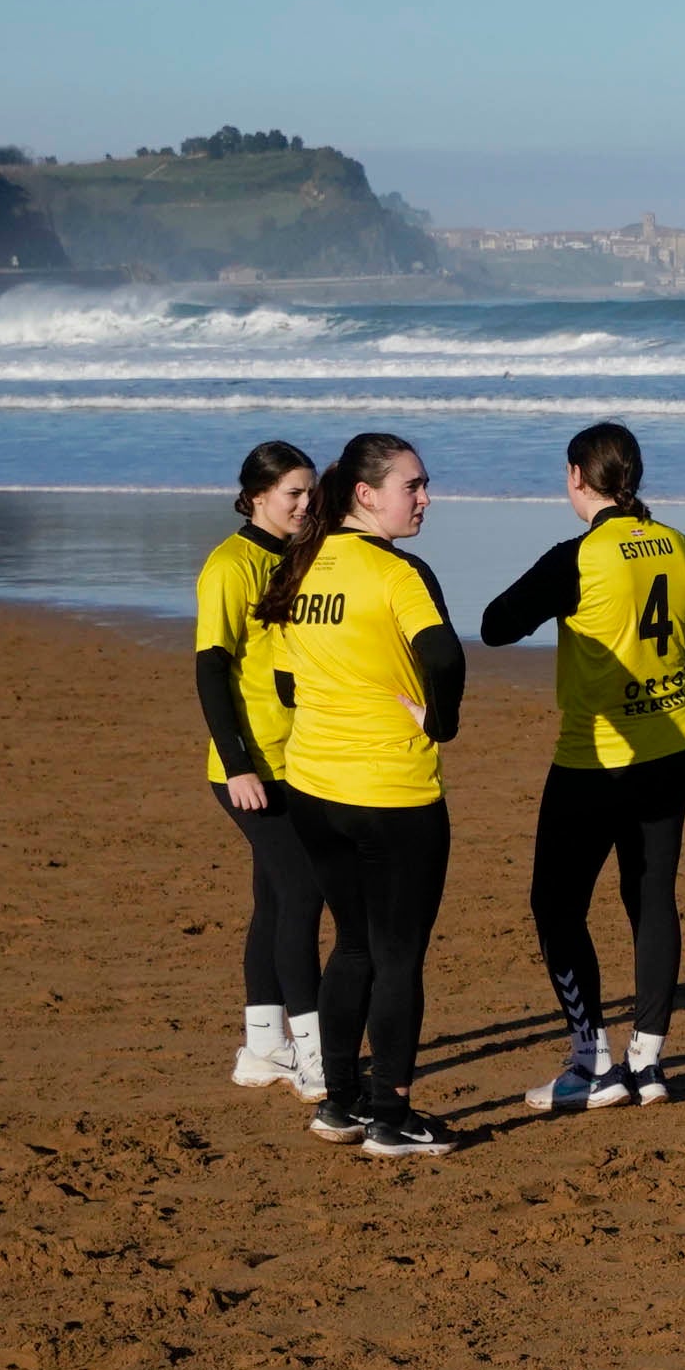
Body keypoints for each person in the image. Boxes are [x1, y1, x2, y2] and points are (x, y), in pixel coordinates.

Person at [480, 423, 685, 1113]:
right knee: (650, 897)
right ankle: (649, 1062)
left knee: (555, 905)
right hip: (674, 751)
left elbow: (494, 625)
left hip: (597, 762)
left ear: (578, 476)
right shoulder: (672, 542)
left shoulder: (576, 557)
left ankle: (593, 1062)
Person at [257, 432, 467, 1156]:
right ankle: (393, 1117)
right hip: (392, 794)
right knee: (398, 955)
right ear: (365, 494)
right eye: (413, 486)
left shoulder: (301, 562)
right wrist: (440, 720)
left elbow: (284, 677)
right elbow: (442, 652)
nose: (425, 498)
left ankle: (338, 1104)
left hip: (314, 787)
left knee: (352, 947)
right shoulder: (396, 571)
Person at [199, 440, 328, 1100]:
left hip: (301, 761)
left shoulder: (306, 557)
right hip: (249, 770)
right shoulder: (231, 564)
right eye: (292, 495)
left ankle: (263, 1046)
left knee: (277, 898)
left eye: (310, 492)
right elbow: (211, 670)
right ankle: (313, 1058)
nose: (305, 505)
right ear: (254, 496)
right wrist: (240, 764)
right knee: (304, 894)